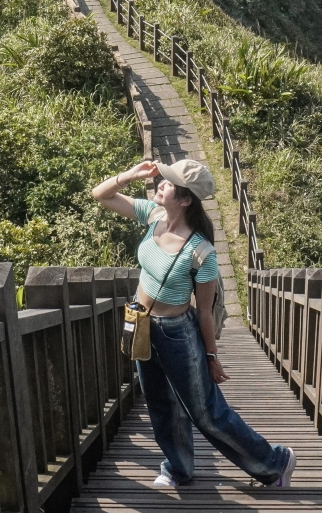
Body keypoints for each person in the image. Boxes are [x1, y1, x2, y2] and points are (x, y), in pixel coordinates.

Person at [91, 157, 295, 490]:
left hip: (176, 335)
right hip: (144, 326)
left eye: (168, 183)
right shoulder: (154, 215)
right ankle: (178, 468)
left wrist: (211, 357)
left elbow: (204, 311)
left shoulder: (201, 253)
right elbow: (100, 194)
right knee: (160, 403)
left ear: (186, 200)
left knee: (206, 413)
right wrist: (131, 174)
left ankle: (275, 463)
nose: (160, 183)